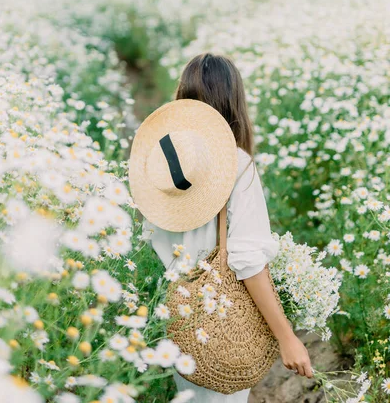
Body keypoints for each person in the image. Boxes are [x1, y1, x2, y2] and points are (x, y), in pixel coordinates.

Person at [134, 52, 313, 403]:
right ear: (234, 103)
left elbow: (150, 239)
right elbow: (246, 261)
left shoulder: (163, 165)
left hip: (176, 317)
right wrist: (287, 337)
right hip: (221, 321)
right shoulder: (236, 165)